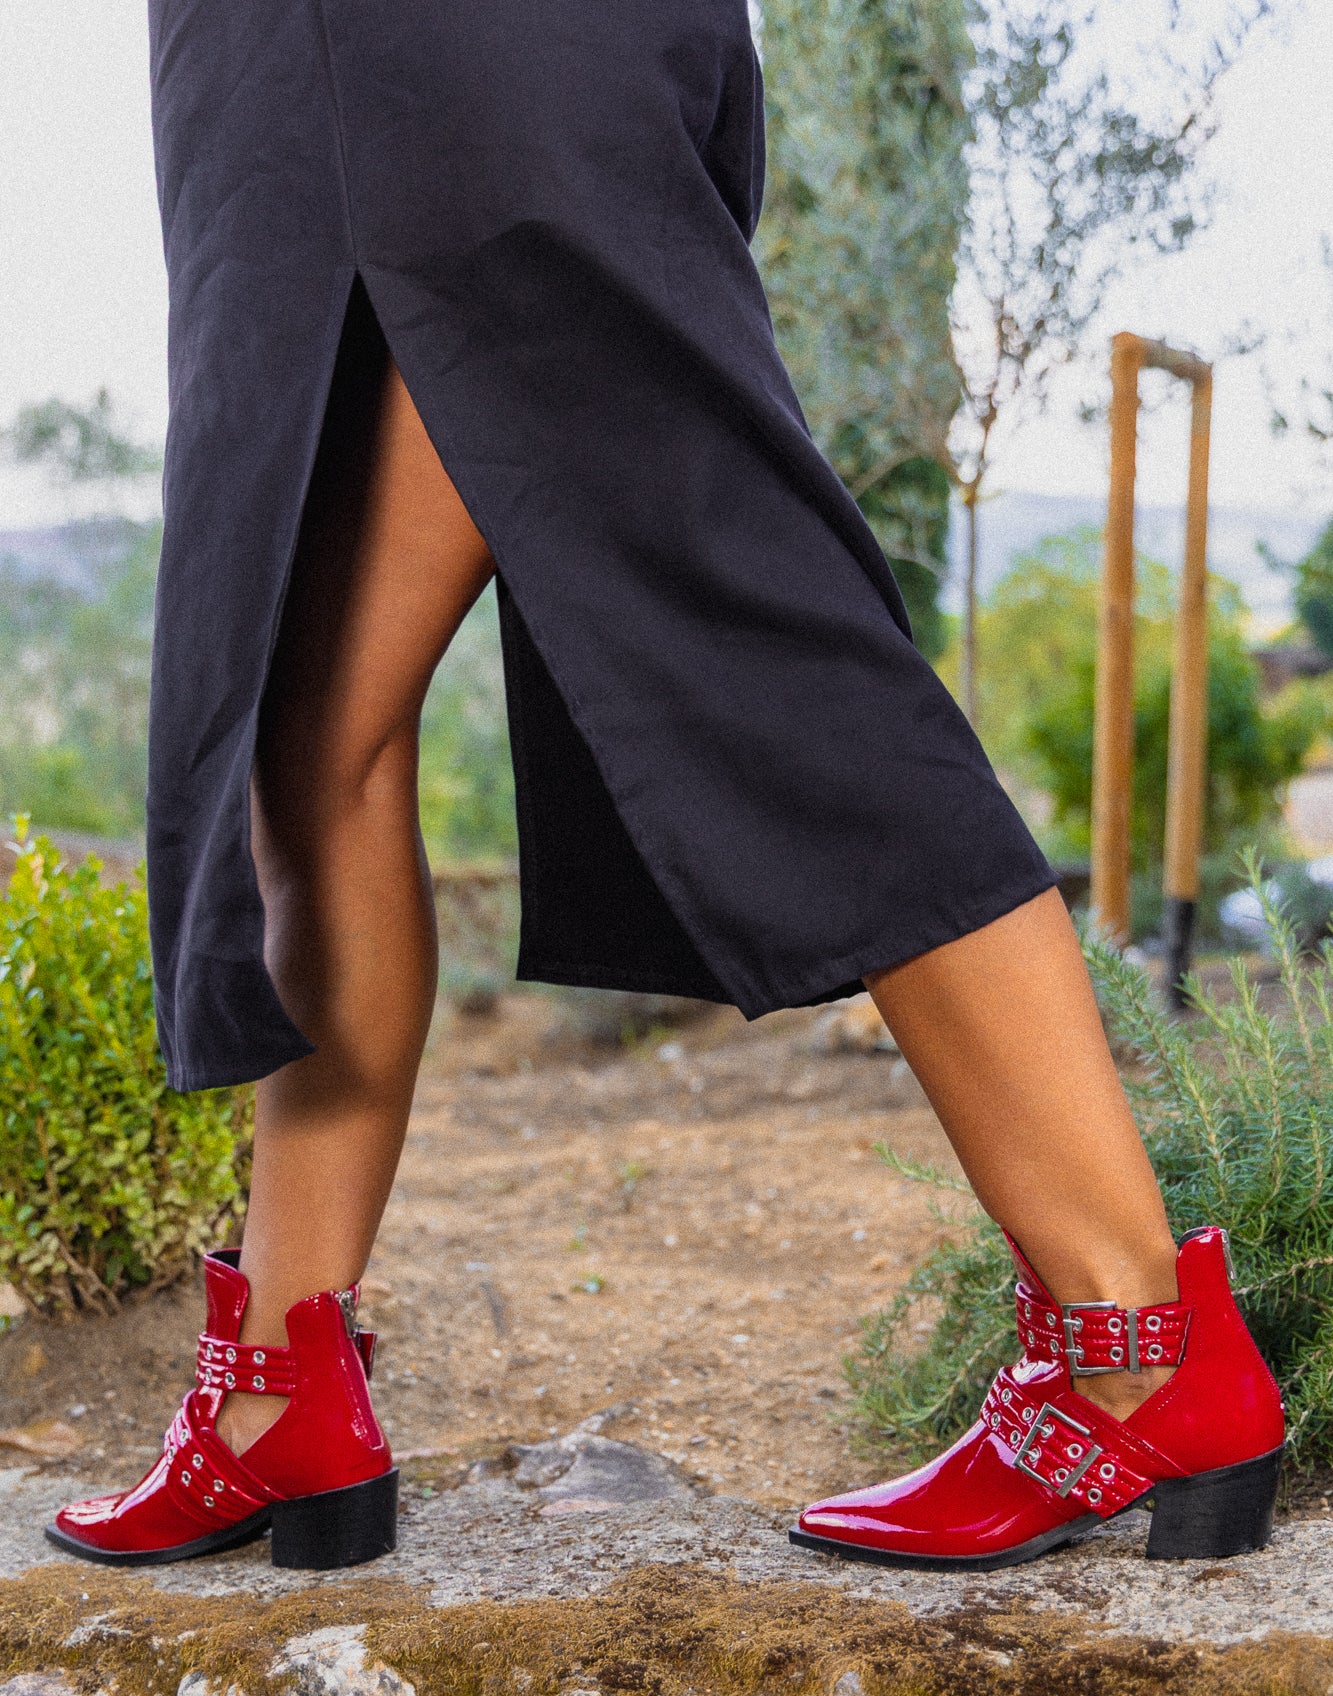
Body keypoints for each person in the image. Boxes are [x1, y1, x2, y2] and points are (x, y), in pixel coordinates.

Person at [47, 0, 1282, 1573]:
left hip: (453, 55)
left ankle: (1138, 1344)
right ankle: (278, 1393)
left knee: (753, 639)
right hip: (289, 70)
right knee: (304, 723)